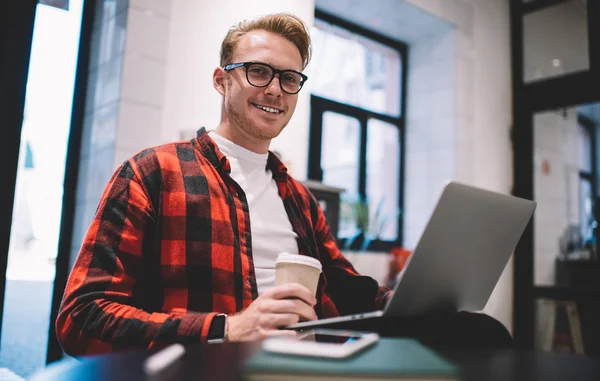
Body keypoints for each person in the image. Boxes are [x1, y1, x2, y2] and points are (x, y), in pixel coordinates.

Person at [56, 13, 512, 356]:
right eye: (258, 72)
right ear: (222, 80)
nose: (275, 89)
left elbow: (345, 288)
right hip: (202, 370)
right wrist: (226, 329)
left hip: (300, 366)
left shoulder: (298, 198)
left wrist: (423, 301)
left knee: (485, 335)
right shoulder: (151, 174)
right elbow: (81, 318)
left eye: (289, 79)